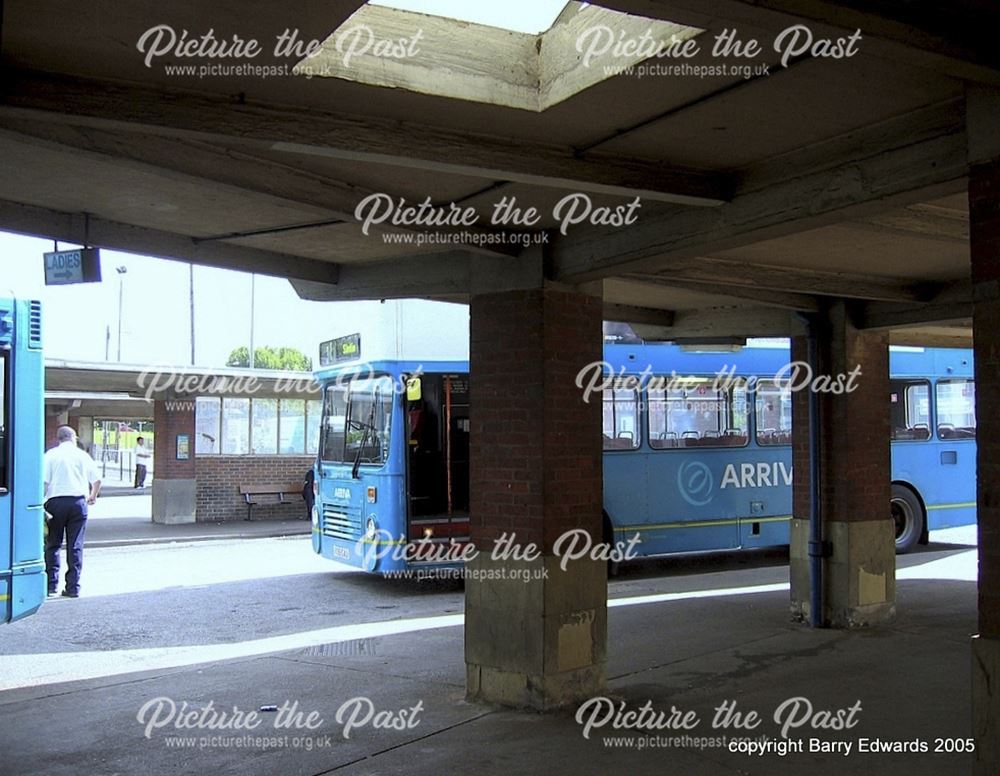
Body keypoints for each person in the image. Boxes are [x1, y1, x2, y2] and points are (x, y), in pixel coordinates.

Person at [43, 425, 101, 598]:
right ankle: (73, 587)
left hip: (55, 503)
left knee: (53, 544)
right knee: (75, 545)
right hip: (78, 503)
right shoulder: (82, 455)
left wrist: (41, 500)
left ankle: (51, 585)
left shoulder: (50, 455)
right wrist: (92, 496)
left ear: (58, 438)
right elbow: (97, 479)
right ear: (73, 438)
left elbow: (44, 482)